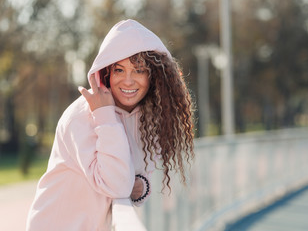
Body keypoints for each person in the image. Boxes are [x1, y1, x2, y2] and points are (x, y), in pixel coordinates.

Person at [26, 19, 194, 231]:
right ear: (106, 72)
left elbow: (141, 179)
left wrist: (139, 184)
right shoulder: (81, 116)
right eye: (119, 70)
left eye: (139, 70)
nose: (128, 81)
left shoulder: (148, 117)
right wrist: (105, 115)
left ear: (155, 76)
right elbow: (117, 185)